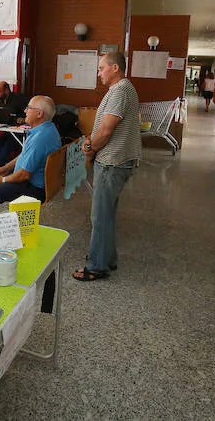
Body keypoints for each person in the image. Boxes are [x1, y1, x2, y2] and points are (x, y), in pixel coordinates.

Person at [73, 52, 141, 282]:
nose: (98, 72)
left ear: (114, 68)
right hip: (115, 159)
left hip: (113, 161)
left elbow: (106, 130)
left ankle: (97, 266)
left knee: (100, 215)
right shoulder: (121, 89)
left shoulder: (120, 91)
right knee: (107, 212)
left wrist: (90, 146)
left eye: (101, 68)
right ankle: (106, 257)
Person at [0, 96, 60, 213]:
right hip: (34, 183)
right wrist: (5, 168)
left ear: (39, 113)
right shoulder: (47, 129)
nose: (25, 111)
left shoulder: (40, 139)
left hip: (33, 188)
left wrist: (4, 180)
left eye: (28, 108)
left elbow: (24, 175)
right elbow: (24, 154)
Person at [0, 81, 30, 171]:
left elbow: (30, 112)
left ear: (6, 91)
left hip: (21, 131)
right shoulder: (0, 101)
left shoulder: (19, 99)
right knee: (0, 141)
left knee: (8, 144)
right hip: (8, 129)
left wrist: (24, 119)